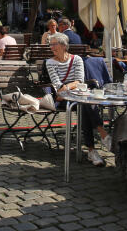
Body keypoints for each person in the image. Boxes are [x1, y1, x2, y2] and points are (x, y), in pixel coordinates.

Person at [45, 32, 112, 166]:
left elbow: (80, 80)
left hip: (79, 96)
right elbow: (59, 87)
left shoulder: (77, 59)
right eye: (50, 45)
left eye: (54, 44)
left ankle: (92, 151)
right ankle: (103, 135)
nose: (51, 47)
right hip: (64, 99)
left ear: (64, 45)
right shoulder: (50, 62)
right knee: (86, 103)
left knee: (84, 105)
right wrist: (72, 86)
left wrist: (68, 86)